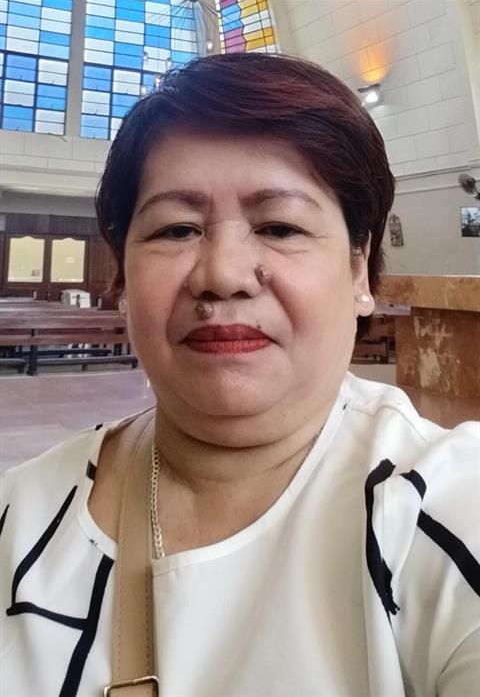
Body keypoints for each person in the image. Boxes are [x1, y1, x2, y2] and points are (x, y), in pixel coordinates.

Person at [1, 52, 479, 697]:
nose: (222, 275)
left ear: (359, 269)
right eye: (176, 230)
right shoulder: (18, 517)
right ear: (123, 276)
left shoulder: (447, 507)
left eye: (280, 226)